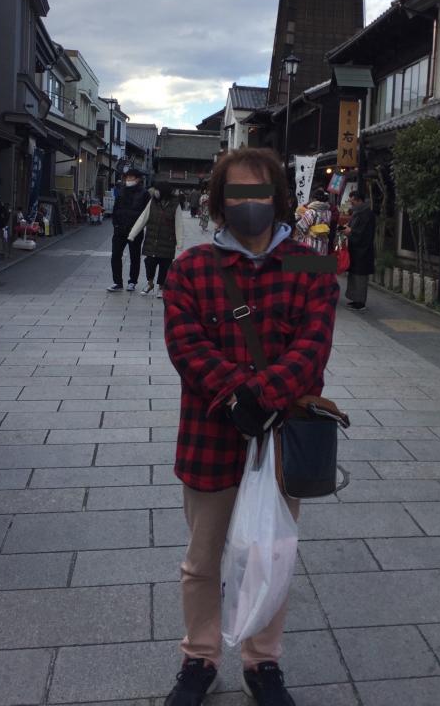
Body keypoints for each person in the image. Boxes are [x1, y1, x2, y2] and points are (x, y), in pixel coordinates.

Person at [161, 147, 338, 706]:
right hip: (210, 434)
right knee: (202, 559)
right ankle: (200, 656)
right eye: (237, 193)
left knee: (271, 553)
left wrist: (261, 396)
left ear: (279, 198)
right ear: (219, 201)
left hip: (281, 439)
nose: (250, 204)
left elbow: (315, 345)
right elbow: (185, 346)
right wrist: (238, 395)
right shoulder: (190, 267)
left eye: (260, 192)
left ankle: (262, 662)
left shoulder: (310, 263)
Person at [128, 181, 184, 297]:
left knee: (165, 265)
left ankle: (162, 287)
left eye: (157, 189)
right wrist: (132, 234)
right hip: (152, 240)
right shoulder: (153, 202)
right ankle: (150, 283)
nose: (155, 192)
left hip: (167, 241)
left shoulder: (175, 204)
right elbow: (143, 218)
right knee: (149, 263)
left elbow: (179, 224)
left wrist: (180, 242)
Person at [107, 167, 149, 292]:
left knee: (134, 257)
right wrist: (115, 224)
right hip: (119, 229)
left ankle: (132, 282)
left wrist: (139, 227)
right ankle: (117, 282)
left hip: (135, 230)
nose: (129, 179)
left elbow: (146, 213)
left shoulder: (144, 193)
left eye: (131, 177)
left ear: (138, 179)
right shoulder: (121, 191)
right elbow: (116, 209)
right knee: (115, 255)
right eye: (127, 177)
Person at [342, 189, 376, 310]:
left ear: (359, 201)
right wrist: (347, 228)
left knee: (360, 276)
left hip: (363, 250)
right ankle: (355, 299)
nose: (352, 205)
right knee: (353, 275)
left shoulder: (367, 214)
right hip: (356, 248)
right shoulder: (358, 212)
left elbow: (362, 233)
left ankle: (360, 302)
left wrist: (350, 231)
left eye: (353, 202)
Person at [293, 188, 332, 256]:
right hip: (323, 243)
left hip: (312, 243)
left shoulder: (311, 212)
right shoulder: (328, 212)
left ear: (314, 199)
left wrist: (299, 216)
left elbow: (301, 227)